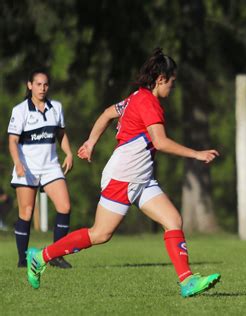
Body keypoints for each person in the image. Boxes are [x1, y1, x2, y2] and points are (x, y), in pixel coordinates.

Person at [25, 48, 221, 298]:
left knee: (173, 220)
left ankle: (187, 281)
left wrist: (91, 141)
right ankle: (40, 256)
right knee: (100, 234)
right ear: (161, 79)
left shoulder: (136, 97)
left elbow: (107, 113)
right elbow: (159, 142)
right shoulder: (148, 103)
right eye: (172, 82)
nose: (173, 87)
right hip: (123, 177)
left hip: (142, 178)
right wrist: (196, 154)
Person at [8, 69, 74, 269]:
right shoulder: (20, 110)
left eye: (45, 84)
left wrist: (69, 153)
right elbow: (12, 141)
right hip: (27, 167)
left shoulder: (56, 107)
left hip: (50, 167)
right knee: (26, 213)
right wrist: (18, 163)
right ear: (30, 85)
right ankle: (22, 259)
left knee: (65, 207)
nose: (42, 88)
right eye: (38, 84)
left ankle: (56, 255)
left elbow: (61, 134)